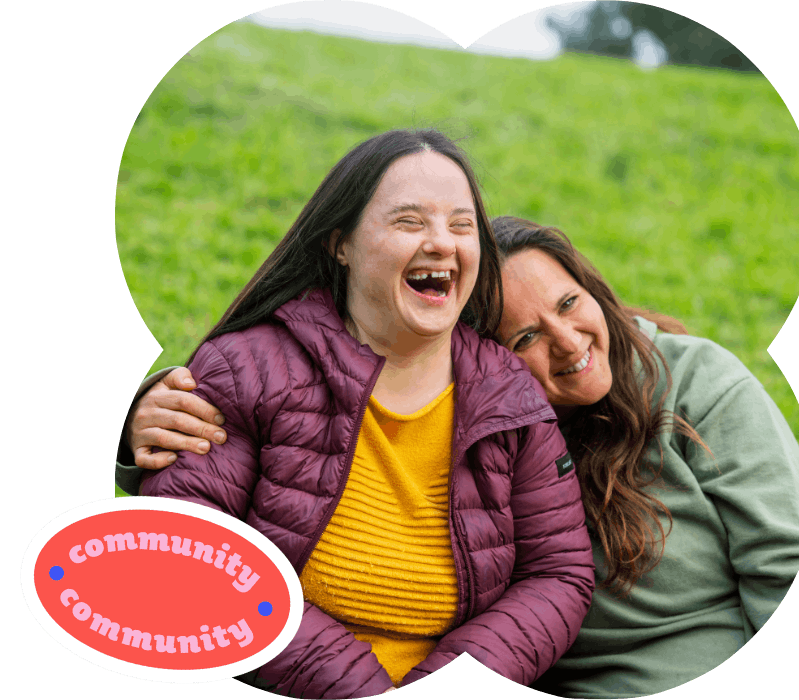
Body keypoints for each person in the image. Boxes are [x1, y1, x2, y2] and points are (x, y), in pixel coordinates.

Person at [120, 212, 799, 696]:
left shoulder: (695, 379)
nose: (568, 341)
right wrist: (145, 415)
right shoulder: (482, 430)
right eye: (525, 339)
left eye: (571, 304)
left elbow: (789, 568)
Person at [121, 131, 595, 699]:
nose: (442, 243)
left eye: (461, 225)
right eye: (410, 222)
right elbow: (189, 554)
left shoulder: (511, 396)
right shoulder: (247, 368)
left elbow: (557, 576)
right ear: (339, 242)